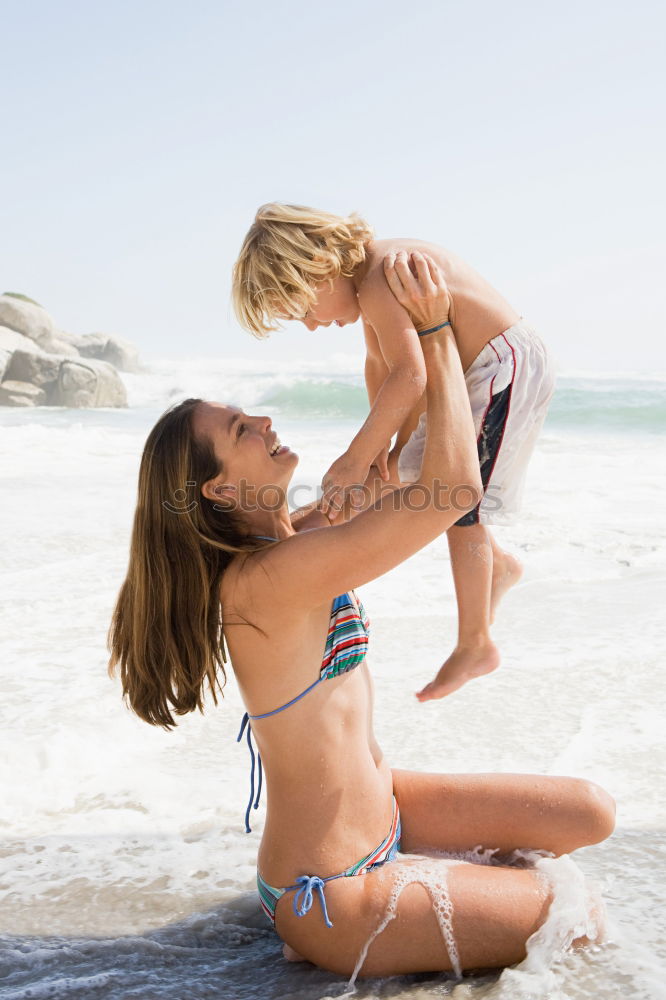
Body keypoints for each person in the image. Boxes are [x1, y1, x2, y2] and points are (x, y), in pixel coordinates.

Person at [109, 257, 614, 979]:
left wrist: (391, 436)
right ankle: (345, 931)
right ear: (220, 487)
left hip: (390, 808)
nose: (264, 419)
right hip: (333, 887)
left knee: (590, 813)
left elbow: (413, 490)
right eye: (241, 428)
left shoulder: (294, 540)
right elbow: (451, 494)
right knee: (580, 920)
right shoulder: (266, 581)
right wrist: (437, 333)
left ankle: (429, 884)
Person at [232, 204, 556, 701]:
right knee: (408, 473)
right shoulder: (368, 283)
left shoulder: (385, 274)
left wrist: (357, 456)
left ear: (318, 269)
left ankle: (476, 641)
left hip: (501, 368)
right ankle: (497, 566)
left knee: (455, 499)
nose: (313, 327)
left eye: (303, 311)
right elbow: (380, 368)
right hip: (474, 373)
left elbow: (412, 375)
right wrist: (388, 448)